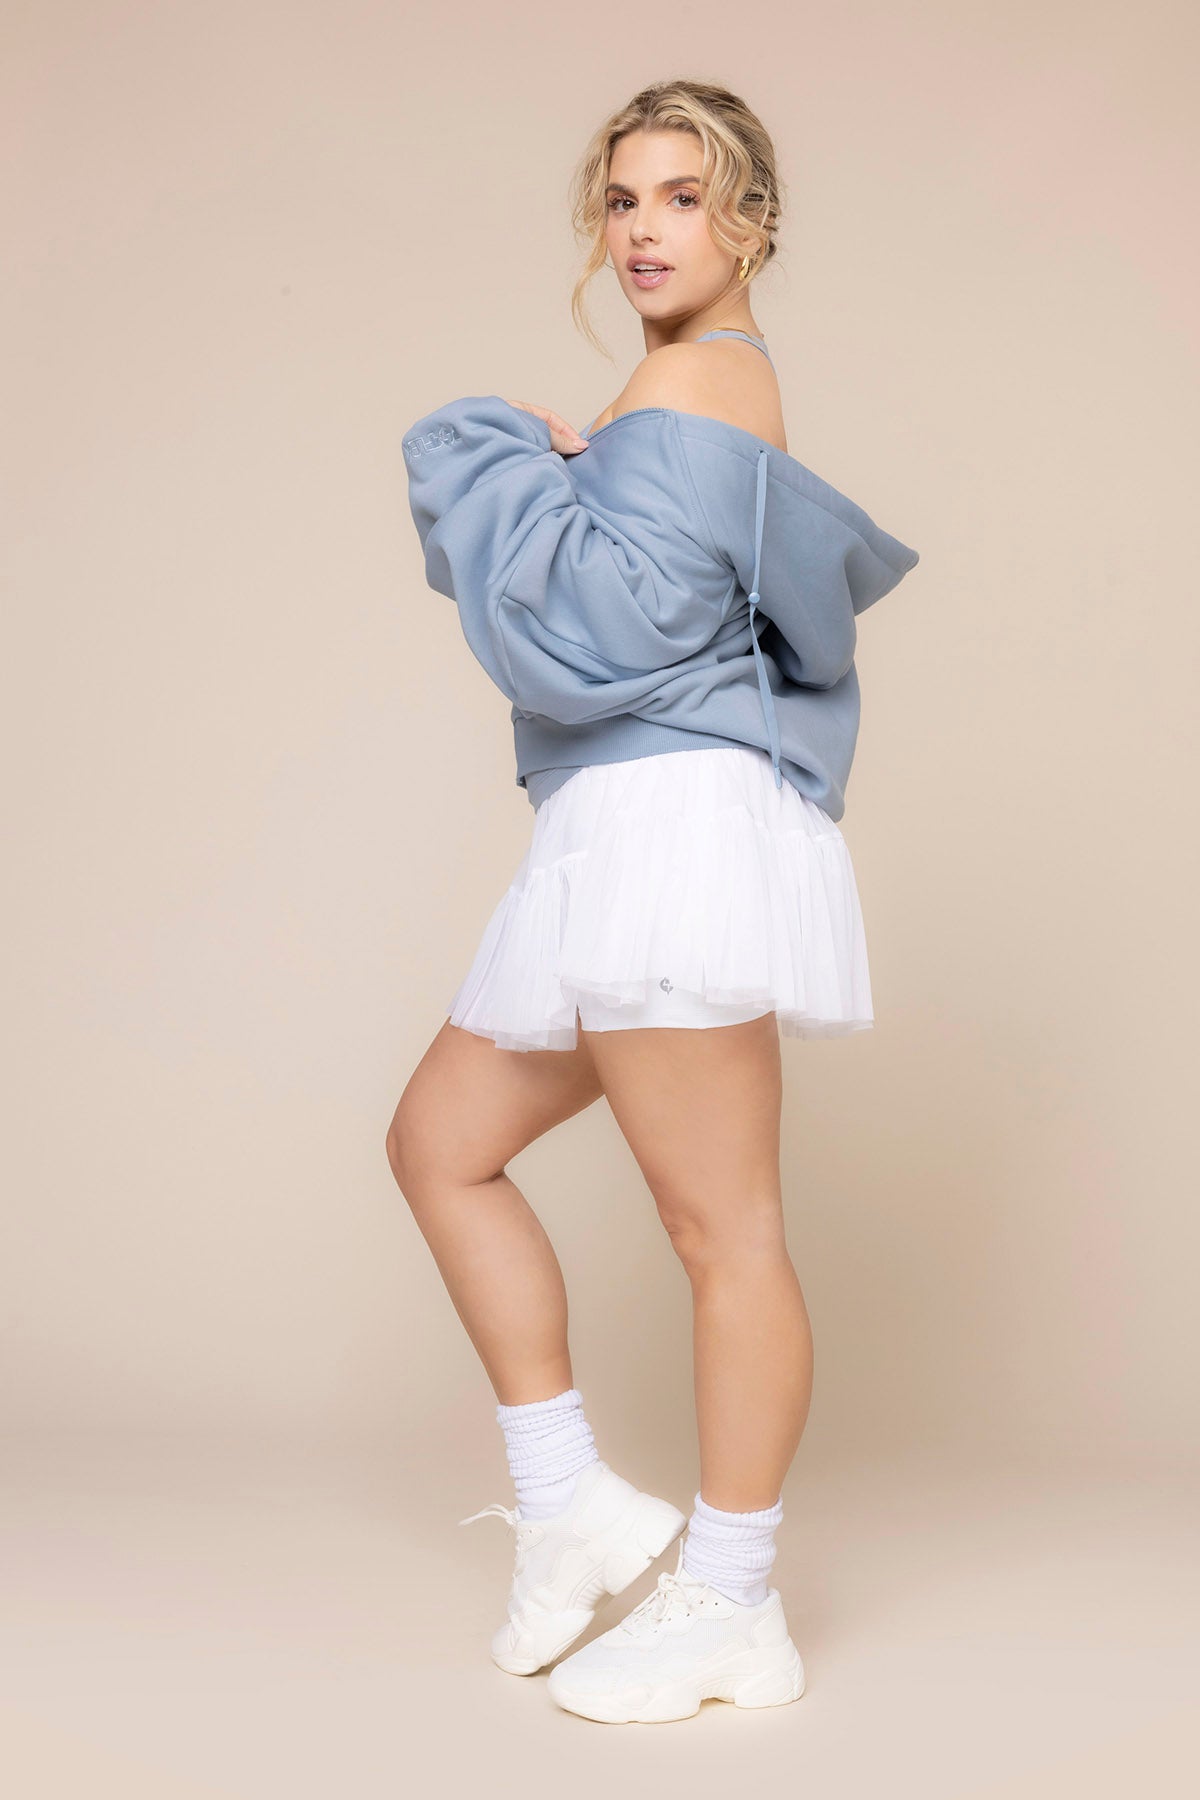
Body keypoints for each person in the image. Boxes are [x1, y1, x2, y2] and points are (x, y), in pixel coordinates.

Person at [386, 78, 919, 1725]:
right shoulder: (676, 388)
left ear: (751, 221)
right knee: (442, 1144)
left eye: (684, 197)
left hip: (671, 826)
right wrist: (576, 466)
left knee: (721, 1230)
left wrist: (495, 456)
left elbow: (584, 638)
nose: (644, 230)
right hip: (621, 826)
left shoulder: (697, 376)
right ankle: (568, 1510)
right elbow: (644, 609)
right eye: (623, 200)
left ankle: (736, 1600)